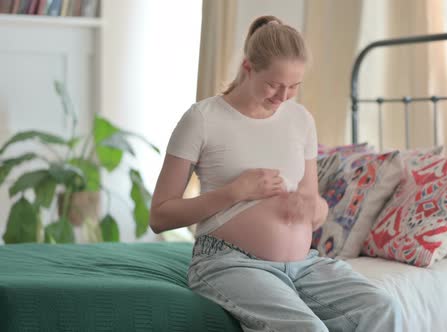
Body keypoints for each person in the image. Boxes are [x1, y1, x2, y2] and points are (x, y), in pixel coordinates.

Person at [149, 15, 401, 331]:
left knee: (382, 309)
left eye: (294, 86)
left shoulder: (300, 120)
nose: (283, 97)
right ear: (247, 67)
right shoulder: (202, 119)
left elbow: (315, 206)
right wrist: (234, 192)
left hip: (304, 264)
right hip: (228, 262)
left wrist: (312, 208)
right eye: (273, 84)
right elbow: (160, 215)